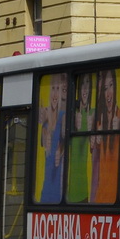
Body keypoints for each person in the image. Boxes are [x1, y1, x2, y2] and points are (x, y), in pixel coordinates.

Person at [90, 69, 120, 203]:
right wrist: (94, 144)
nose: (108, 93)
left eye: (111, 86)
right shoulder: (98, 121)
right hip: (100, 198)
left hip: (116, 198)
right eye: (105, 88)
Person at [38, 73, 67, 202]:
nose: (55, 94)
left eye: (58, 89)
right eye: (53, 89)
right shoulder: (45, 120)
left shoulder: (63, 116)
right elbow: (44, 145)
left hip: (58, 190)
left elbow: (65, 141)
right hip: (46, 188)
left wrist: (60, 150)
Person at [67, 72, 95, 203]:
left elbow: (93, 148)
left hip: (85, 188)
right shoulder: (71, 114)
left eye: (87, 83)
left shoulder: (93, 113)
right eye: (82, 84)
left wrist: (90, 132)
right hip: (69, 189)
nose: (85, 88)